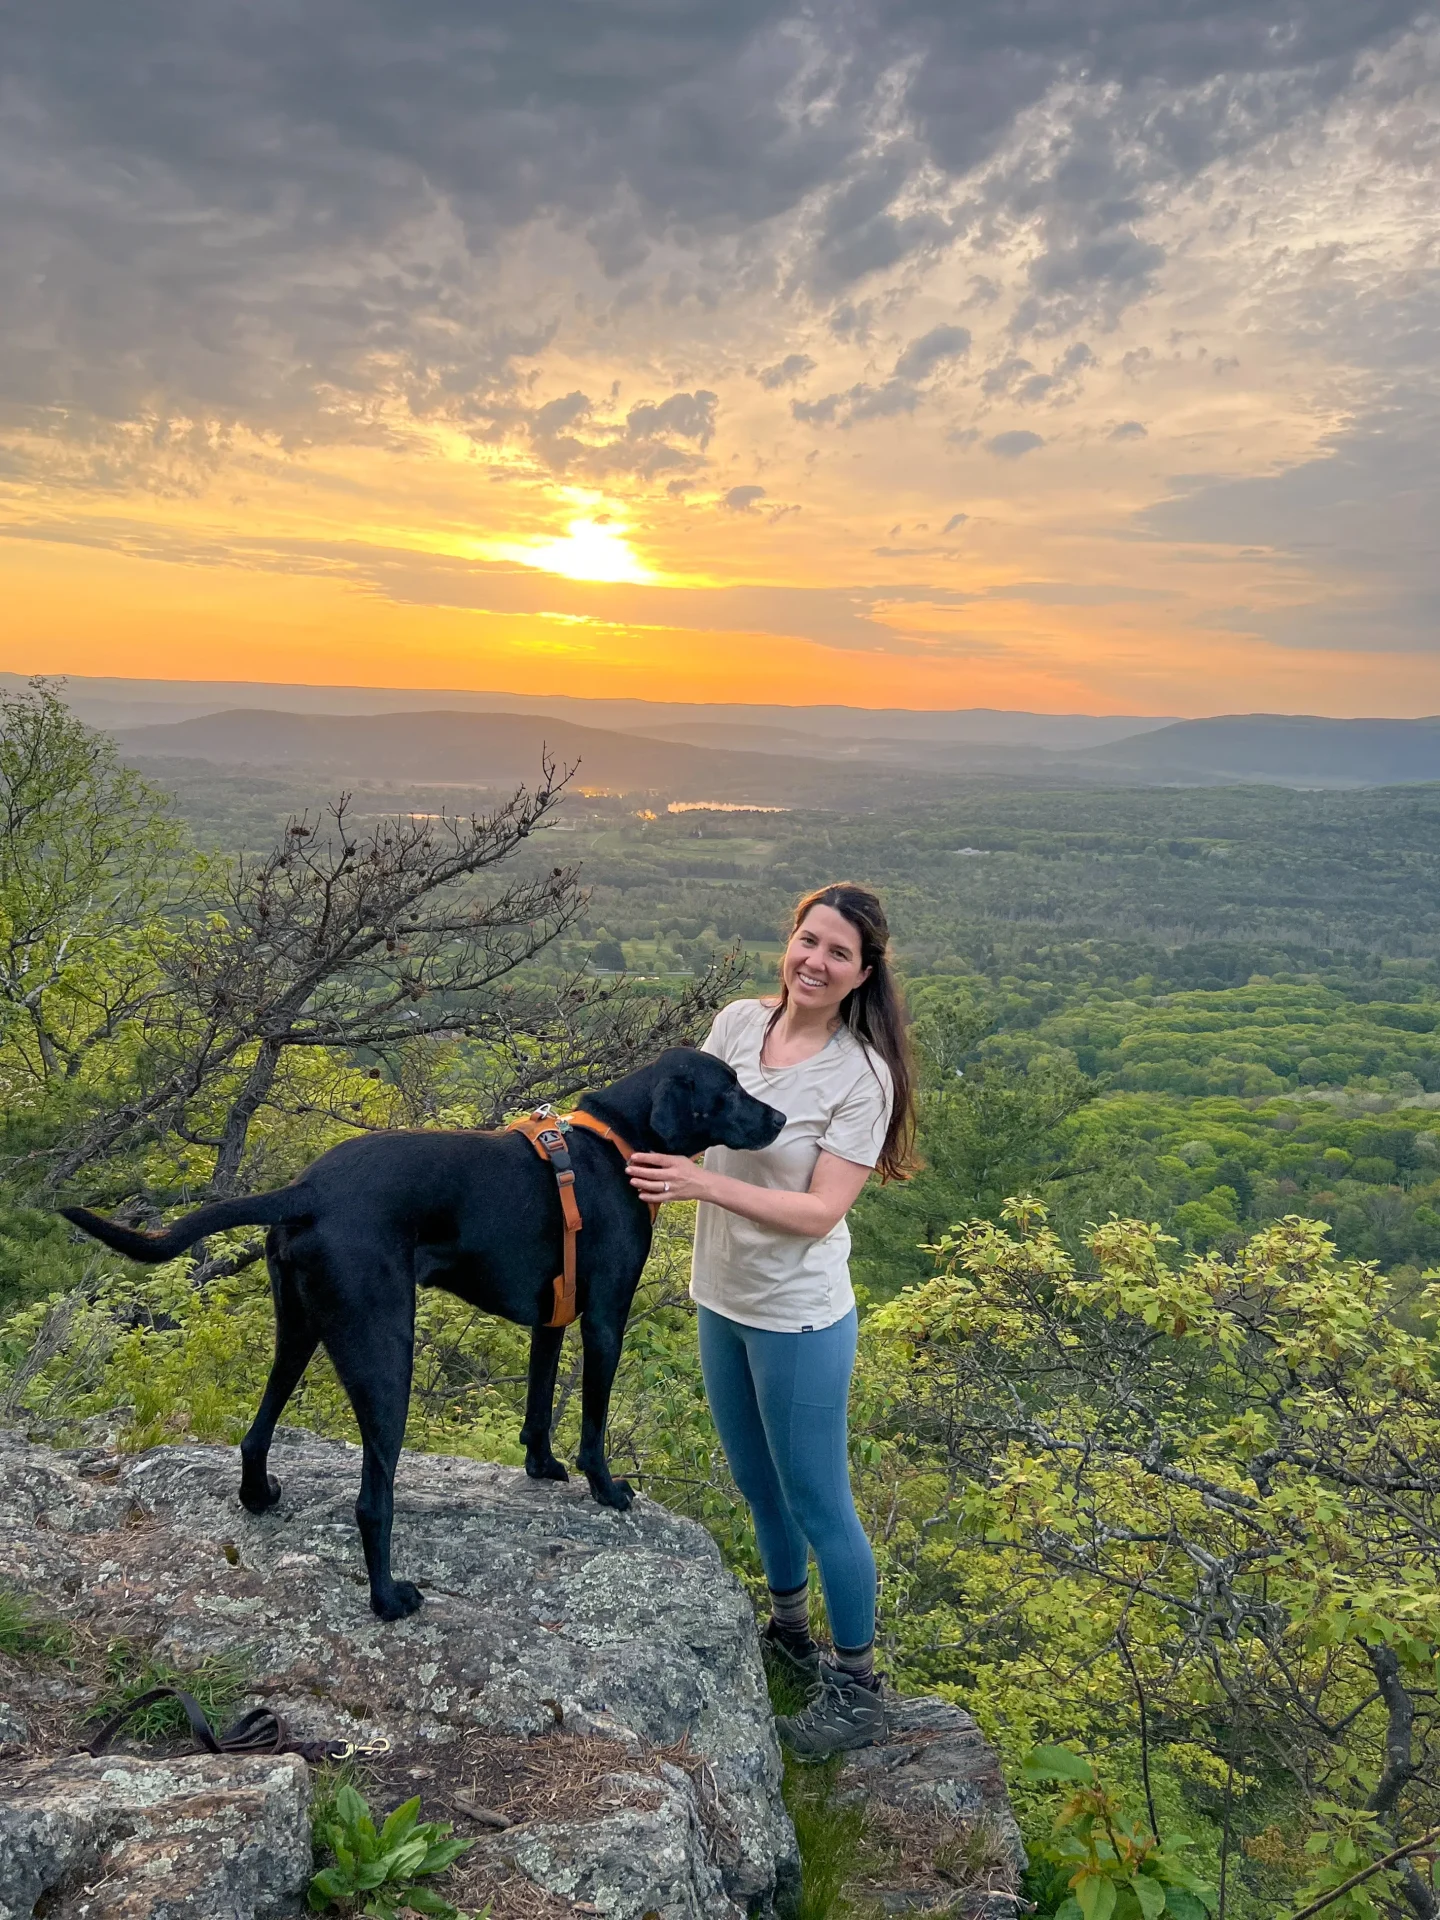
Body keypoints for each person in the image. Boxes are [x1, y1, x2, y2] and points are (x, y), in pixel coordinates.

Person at [628, 882, 917, 1759]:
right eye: (808, 940)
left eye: (838, 952)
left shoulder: (863, 1075)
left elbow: (821, 1211)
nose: (815, 962)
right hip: (722, 1293)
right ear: (787, 942)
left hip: (797, 1317)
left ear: (863, 973)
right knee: (758, 1487)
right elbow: (673, 1117)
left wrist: (701, 1183)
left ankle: (857, 1688)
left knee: (821, 1503)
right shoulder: (735, 1027)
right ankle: (790, 1634)